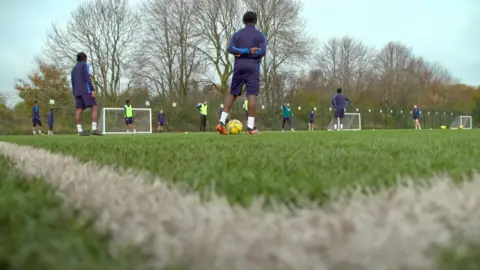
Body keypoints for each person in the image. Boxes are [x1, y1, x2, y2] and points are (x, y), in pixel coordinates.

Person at [216, 11, 267, 135]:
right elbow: (262, 51)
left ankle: (221, 122)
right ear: (256, 21)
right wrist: (250, 52)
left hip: (239, 66)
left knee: (233, 93)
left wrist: (243, 51)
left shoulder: (237, 35)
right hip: (253, 67)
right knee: (251, 95)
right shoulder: (260, 36)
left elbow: (231, 49)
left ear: (244, 22)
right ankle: (250, 128)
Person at [71, 52, 102, 136]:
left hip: (77, 91)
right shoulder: (85, 65)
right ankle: (94, 129)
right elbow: (87, 76)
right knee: (94, 107)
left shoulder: (73, 69)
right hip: (85, 90)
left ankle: (79, 130)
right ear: (85, 58)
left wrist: (74, 93)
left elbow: (72, 82)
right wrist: (92, 89)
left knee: (79, 109)